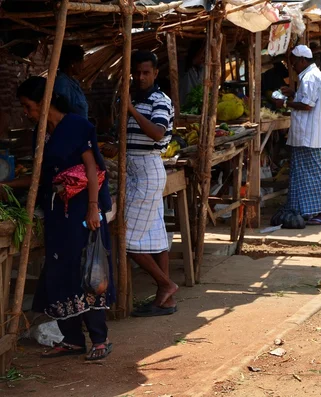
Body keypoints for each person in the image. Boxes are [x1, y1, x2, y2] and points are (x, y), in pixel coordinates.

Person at [10, 76, 114, 360]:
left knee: (87, 269)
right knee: (60, 269)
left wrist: (93, 208)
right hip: (57, 211)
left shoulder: (78, 126)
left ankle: (99, 340)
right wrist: (7, 186)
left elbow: (92, 169)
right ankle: (72, 339)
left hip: (82, 211)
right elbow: (41, 177)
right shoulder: (41, 133)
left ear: (45, 103)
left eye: (29, 106)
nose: (27, 113)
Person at [124, 50, 178, 317]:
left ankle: (166, 284)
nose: (141, 77)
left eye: (147, 72)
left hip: (147, 170)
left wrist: (130, 110)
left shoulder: (159, 100)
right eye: (137, 72)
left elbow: (157, 133)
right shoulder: (138, 97)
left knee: (126, 238)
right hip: (136, 168)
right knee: (156, 238)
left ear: (156, 73)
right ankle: (164, 300)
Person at [274, 45, 321, 226]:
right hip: (308, 135)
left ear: (302, 60)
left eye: (294, 63)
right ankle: (307, 211)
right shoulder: (313, 76)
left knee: (313, 174)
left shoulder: (310, 77)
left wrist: (285, 104)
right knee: (302, 174)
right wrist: (294, 93)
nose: (293, 67)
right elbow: (306, 99)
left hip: (309, 135)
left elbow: (307, 105)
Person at [54, 44, 89, 119]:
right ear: (72, 63)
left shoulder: (73, 82)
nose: (83, 66)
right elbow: (63, 111)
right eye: (81, 62)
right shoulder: (62, 83)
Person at [179, 40, 205, 106]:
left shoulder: (201, 68)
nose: (203, 58)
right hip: (184, 107)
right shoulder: (184, 65)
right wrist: (205, 44)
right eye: (201, 56)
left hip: (198, 107)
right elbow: (196, 59)